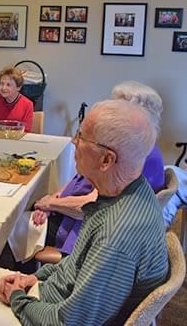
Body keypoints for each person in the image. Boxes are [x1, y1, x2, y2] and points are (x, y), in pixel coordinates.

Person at [0, 100, 168, 325]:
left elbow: (69, 322)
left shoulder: (116, 235)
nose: (73, 142)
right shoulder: (126, 191)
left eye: (81, 137)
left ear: (107, 159)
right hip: (55, 298)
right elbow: (75, 265)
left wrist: (17, 298)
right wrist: (34, 277)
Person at [32, 81, 165, 256]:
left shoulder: (134, 155)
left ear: (136, 115)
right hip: (69, 215)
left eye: (118, 107)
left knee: (16, 225)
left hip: (77, 228)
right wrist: (56, 197)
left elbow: (92, 204)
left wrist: (50, 204)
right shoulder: (136, 145)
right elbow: (80, 179)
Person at [0, 65, 33, 132]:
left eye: (8, 85)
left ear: (18, 87)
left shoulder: (27, 104)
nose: (3, 88)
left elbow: (26, 131)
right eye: (2, 83)